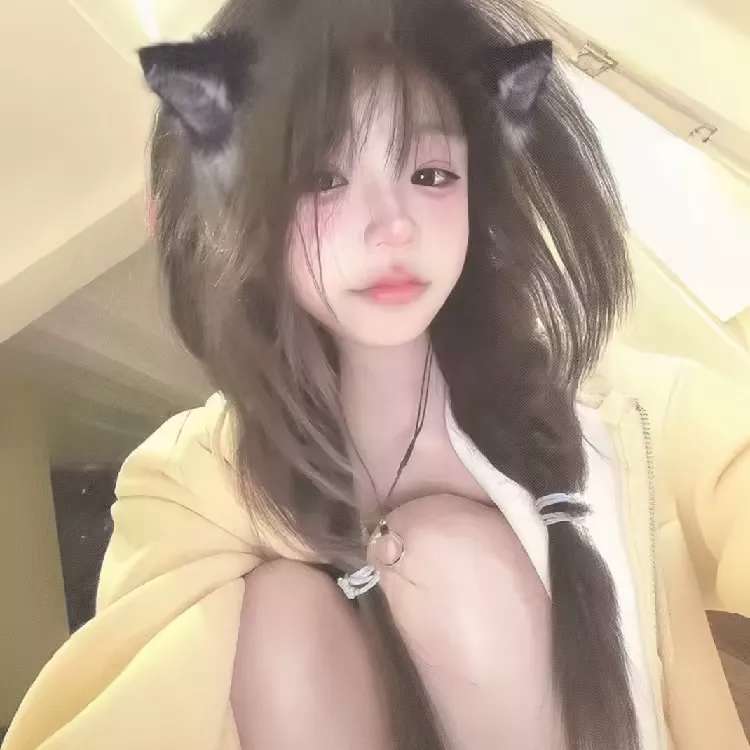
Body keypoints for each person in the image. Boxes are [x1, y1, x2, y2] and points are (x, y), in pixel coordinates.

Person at [3, 1, 750, 749]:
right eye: (323, 178)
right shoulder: (193, 483)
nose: (394, 225)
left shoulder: (619, 408)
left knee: (441, 559)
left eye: (430, 173)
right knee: (281, 612)